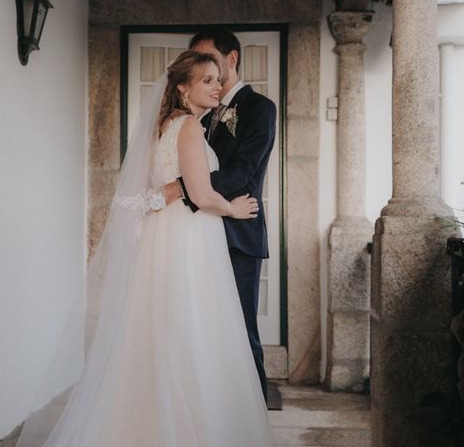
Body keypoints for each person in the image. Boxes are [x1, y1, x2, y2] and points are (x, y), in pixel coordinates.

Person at [18, 51, 275, 447]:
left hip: (167, 235)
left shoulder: (163, 126)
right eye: (206, 80)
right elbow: (203, 194)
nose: (216, 86)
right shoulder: (189, 126)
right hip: (190, 237)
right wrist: (234, 208)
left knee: (164, 326)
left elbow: (162, 190)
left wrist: (177, 195)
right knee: (192, 327)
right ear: (182, 88)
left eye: (217, 79)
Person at [164, 29, 277, 403]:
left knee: (239, 334)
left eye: (211, 61)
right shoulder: (192, 115)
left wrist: (184, 187)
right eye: (199, 65)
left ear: (231, 59)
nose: (206, 71)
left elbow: (243, 172)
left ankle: (252, 421)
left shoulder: (259, 108)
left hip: (236, 233)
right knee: (199, 333)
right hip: (195, 234)